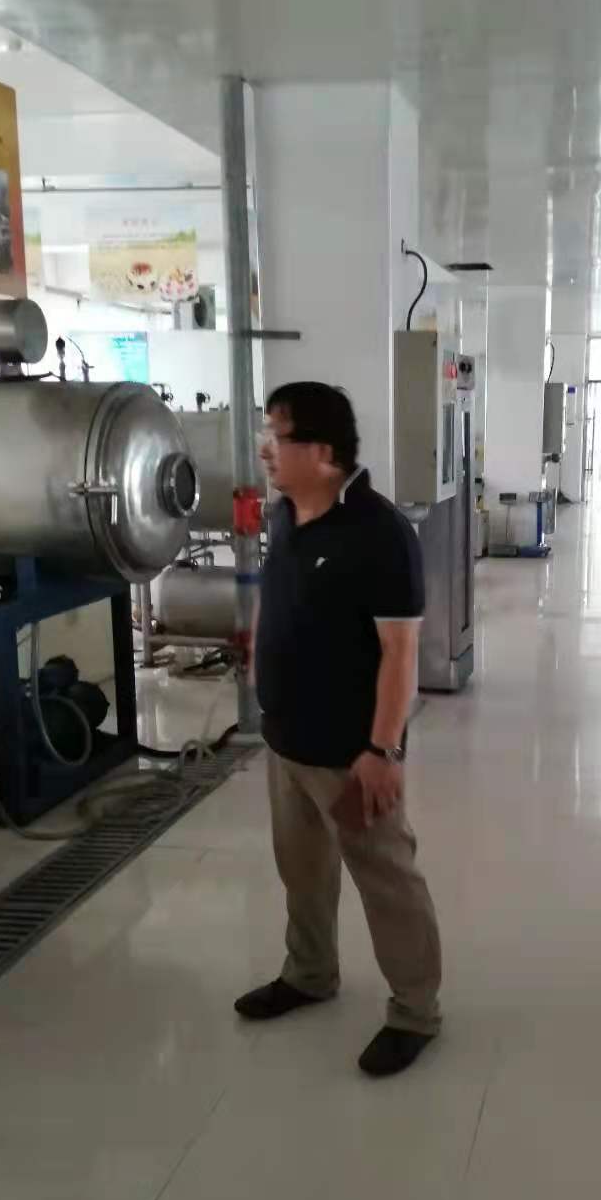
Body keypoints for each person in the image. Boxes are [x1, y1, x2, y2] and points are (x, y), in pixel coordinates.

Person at [235, 381, 442, 1078]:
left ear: (322, 450)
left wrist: (383, 749)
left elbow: (399, 653)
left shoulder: (380, 534)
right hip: (286, 741)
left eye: (276, 435)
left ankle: (415, 1011)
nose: (265, 448)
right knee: (303, 872)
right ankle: (310, 973)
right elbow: (276, 598)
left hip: (352, 754)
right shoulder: (286, 513)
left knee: (386, 880)